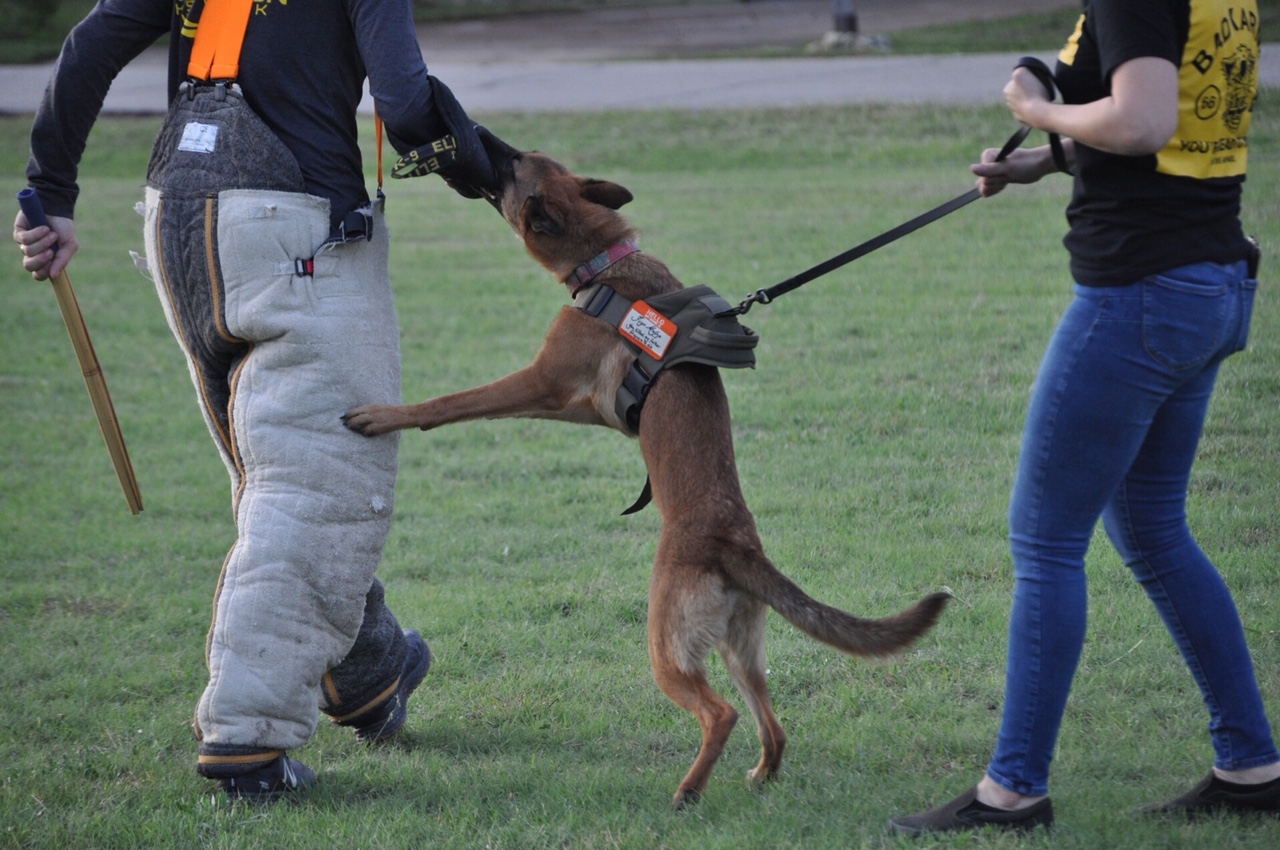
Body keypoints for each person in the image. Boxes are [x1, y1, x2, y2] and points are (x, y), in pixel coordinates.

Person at [15, 0, 497, 803]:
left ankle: (368, 669)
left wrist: (49, 189)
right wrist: (485, 170)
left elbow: (91, 42)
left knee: (281, 475)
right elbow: (407, 105)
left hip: (180, 219)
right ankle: (246, 740)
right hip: (295, 223)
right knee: (316, 488)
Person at [889, 0, 1276, 834]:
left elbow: (1142, 122)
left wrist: (1033, 111)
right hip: (1205, 281)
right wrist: (1051, 157)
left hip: (1140, 293)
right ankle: (1252, 766)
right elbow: (1177, 134)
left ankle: (1013, 791)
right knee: (1154, 531)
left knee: (1045, 540)